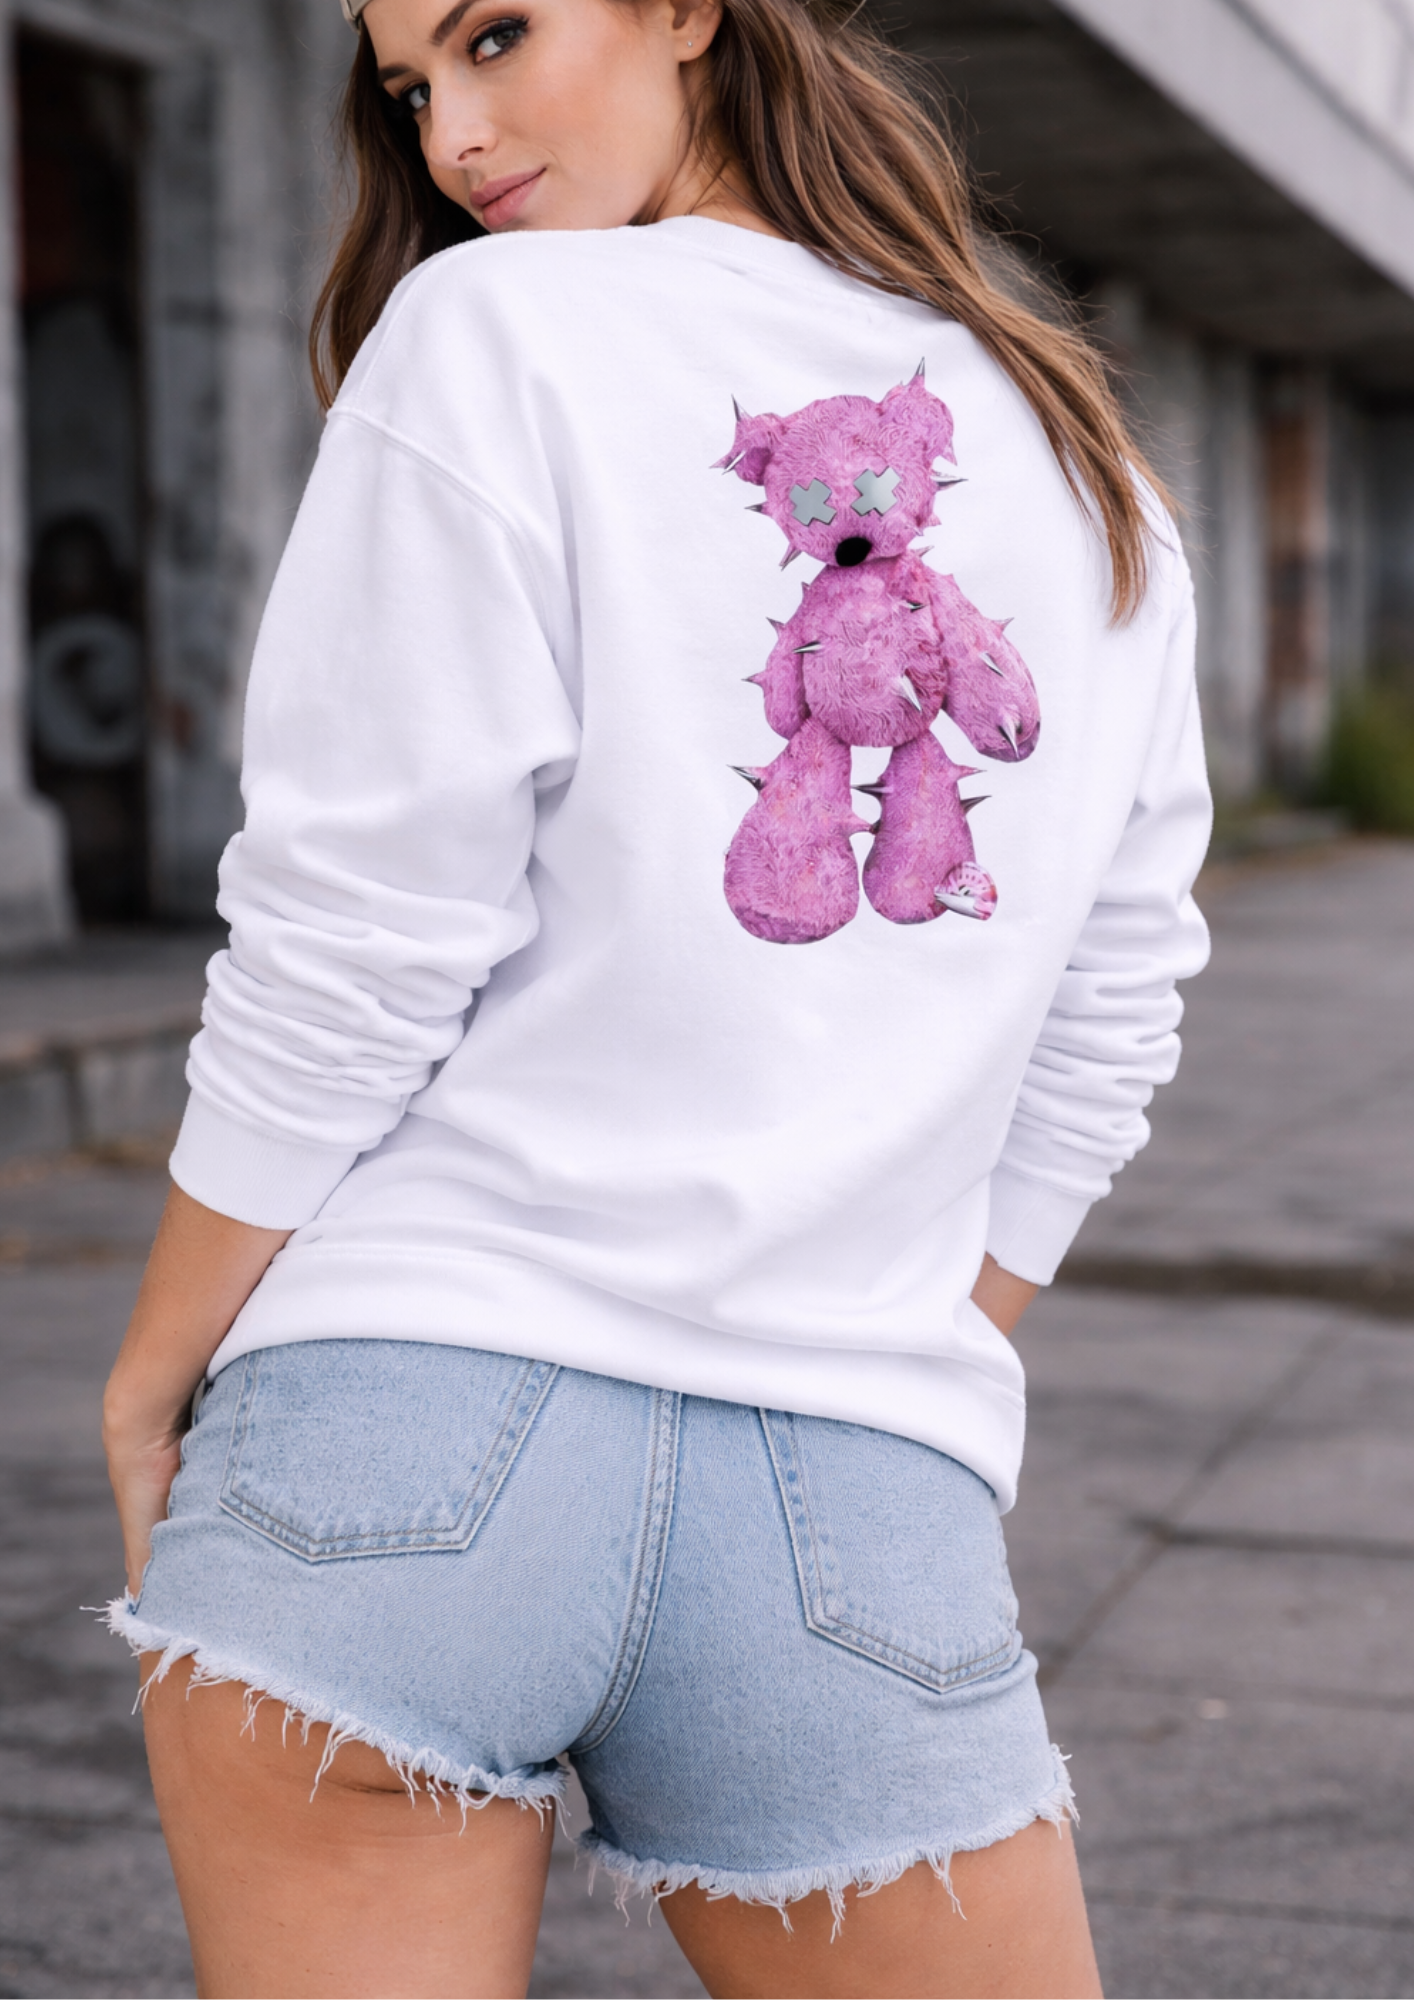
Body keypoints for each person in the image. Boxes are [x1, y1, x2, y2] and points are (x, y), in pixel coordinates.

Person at [101, 0, 1210, 1990]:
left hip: (402, 1420)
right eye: (408, 87)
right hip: (853, 1487)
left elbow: (356, 931)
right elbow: (1113, 1003)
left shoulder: (487, 334)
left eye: (494, 34)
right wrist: (883, 1335)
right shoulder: (1078, 441)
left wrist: (156, 1360)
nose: (450, 135)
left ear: (690, 8)